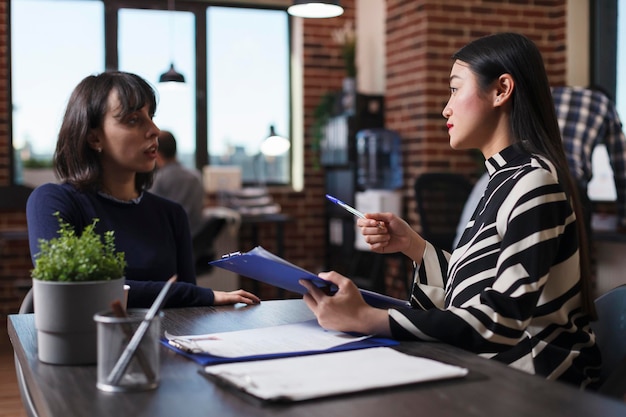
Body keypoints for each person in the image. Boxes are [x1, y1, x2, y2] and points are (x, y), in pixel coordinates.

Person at [300, 33, 601, 389]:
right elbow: (475, 288)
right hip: (499, 372)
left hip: (538, 383)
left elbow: (498, 321)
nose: (446, 107)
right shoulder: (502, 180)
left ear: (501, 89)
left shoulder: (534, 182)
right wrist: (414, 246)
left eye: (455, 89)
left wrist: (368, 318)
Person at [26, 71, 260, 309]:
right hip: (86, 341)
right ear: (94, 138)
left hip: (167, 341)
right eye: (133, 120)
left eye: (151, 116)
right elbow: (72, 289)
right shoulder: (53, 202)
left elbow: (189, 308)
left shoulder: (171, 214)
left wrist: (191, 296)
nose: (154, 130)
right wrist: (196, 295)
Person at [454, 85, 626, 249]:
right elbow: (622, 166)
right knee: (575, 259)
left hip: (509, 168)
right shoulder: (604, 103)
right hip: (568, 181)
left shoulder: (549, 93)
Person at [151, 130, 204, 237]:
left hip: (171, 242)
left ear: (157, 154)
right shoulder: (196, 176)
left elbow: (150, 216)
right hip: (195, 242)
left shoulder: (159, 179)